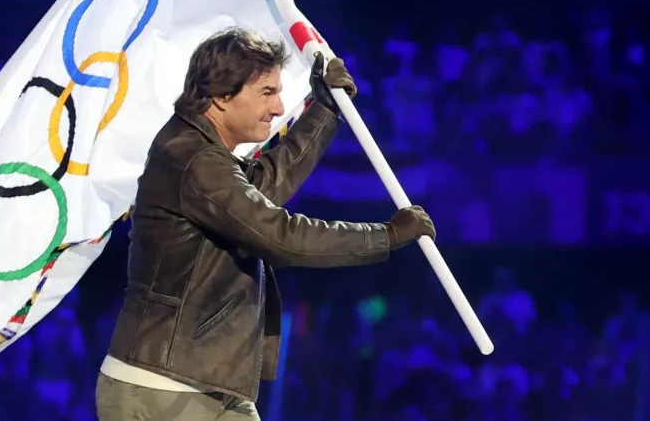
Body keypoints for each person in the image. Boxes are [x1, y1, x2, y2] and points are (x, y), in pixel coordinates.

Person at [96, 27, 437, 420]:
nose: (278, 108)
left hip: (200, 385)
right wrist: (385, 235)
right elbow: (278, 236)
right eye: (267, 93)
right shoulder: (194, 159)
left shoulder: (200, 152)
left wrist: (324, 110)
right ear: (221, 95)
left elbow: (263, 189)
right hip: (163, 389)